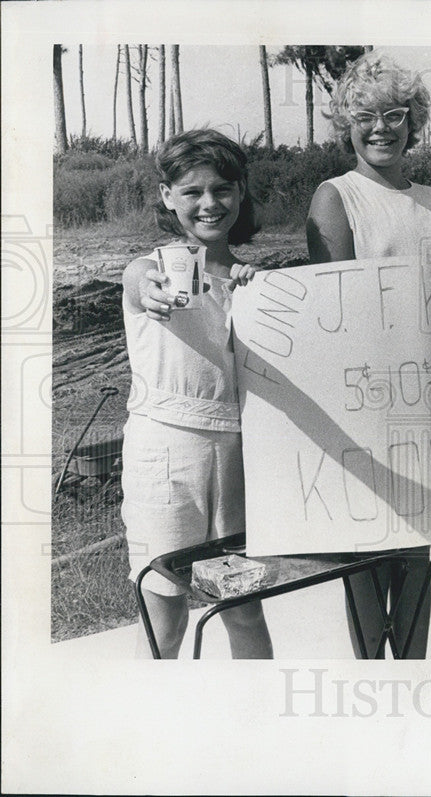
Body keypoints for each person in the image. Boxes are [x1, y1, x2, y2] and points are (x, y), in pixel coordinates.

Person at [305, 51, 431, 659]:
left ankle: (412, 686)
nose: (381, 127)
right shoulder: (334, 196)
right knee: (365, 553)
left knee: (419, 550)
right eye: (365, 115)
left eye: (394, 114)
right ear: (347, 124)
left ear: (412, 122)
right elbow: (331, 312)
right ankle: (372, 686)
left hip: (426, 399)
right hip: (362, 400)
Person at [122, 129, 273, 658]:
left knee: (244, 608)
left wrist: (258, 296)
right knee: (165, 613)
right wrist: (149, 291)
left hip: (235, 459)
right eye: (192, 192)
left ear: (241, 192)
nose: (210, 203)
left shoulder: (251, 281)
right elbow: (139, 284)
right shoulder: (153, 268)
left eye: (223, 189)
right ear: (167, 196)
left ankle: (256, 727)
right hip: (166, 455)